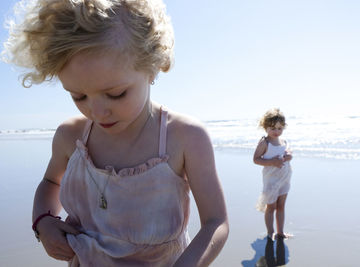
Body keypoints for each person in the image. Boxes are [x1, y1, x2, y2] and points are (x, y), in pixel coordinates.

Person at [3, 0, 228, 266]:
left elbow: (216, 222)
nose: (97, 112)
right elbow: (51, 183)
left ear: (153, 65)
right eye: (79, 96)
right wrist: (43, 221)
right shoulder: (70, 137)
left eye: (116, 94)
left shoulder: (184, 137)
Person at [253, 108, 292, 241]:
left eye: (279, 128)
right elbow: (256, 159)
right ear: (265, 127)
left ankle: (280, 231)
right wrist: (272, 162)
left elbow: (288, 153)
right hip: (271, 179)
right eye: (272, 128)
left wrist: (288, 157)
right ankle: (270, 232)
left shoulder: (284, 142)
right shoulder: (265, 142)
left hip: (285, 178)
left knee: (281, 206)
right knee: (271, 206)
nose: (276, 131)